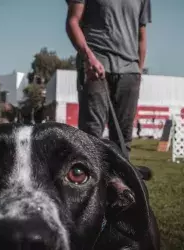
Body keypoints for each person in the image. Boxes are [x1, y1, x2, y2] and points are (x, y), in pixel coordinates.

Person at [65, 0, 151, 154]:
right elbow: (72, 21)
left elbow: (141, 34)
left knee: (123, 139)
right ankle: (92, 177)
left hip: (129, 69)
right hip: (96, 62)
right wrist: (88, 57)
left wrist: (138, 70)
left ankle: (120, 177)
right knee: (91, 133)